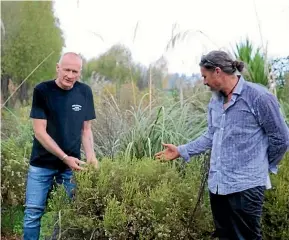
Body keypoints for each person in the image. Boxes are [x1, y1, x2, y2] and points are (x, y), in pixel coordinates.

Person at [155, 50, 289, 240]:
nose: (204, 82)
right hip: (218, 186)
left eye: (205, 76)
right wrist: (181, 150)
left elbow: (281, 138)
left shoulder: (258, 97)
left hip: (246, 187)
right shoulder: (215, 101)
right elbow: (211, 135)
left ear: (217, 71)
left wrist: (261, 165)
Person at [23, 52, 99, 240]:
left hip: (71, 167)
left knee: (65, 215)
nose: (70, 75)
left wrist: (91, 156)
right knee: (33, 213)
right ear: (58, 68)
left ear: (80, 72)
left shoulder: (85, 92)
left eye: (75, 71)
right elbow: (40, 132)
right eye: (66, 70)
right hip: (41, 164)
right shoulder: (42, 91)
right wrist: (64, 157)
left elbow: (86, 129)